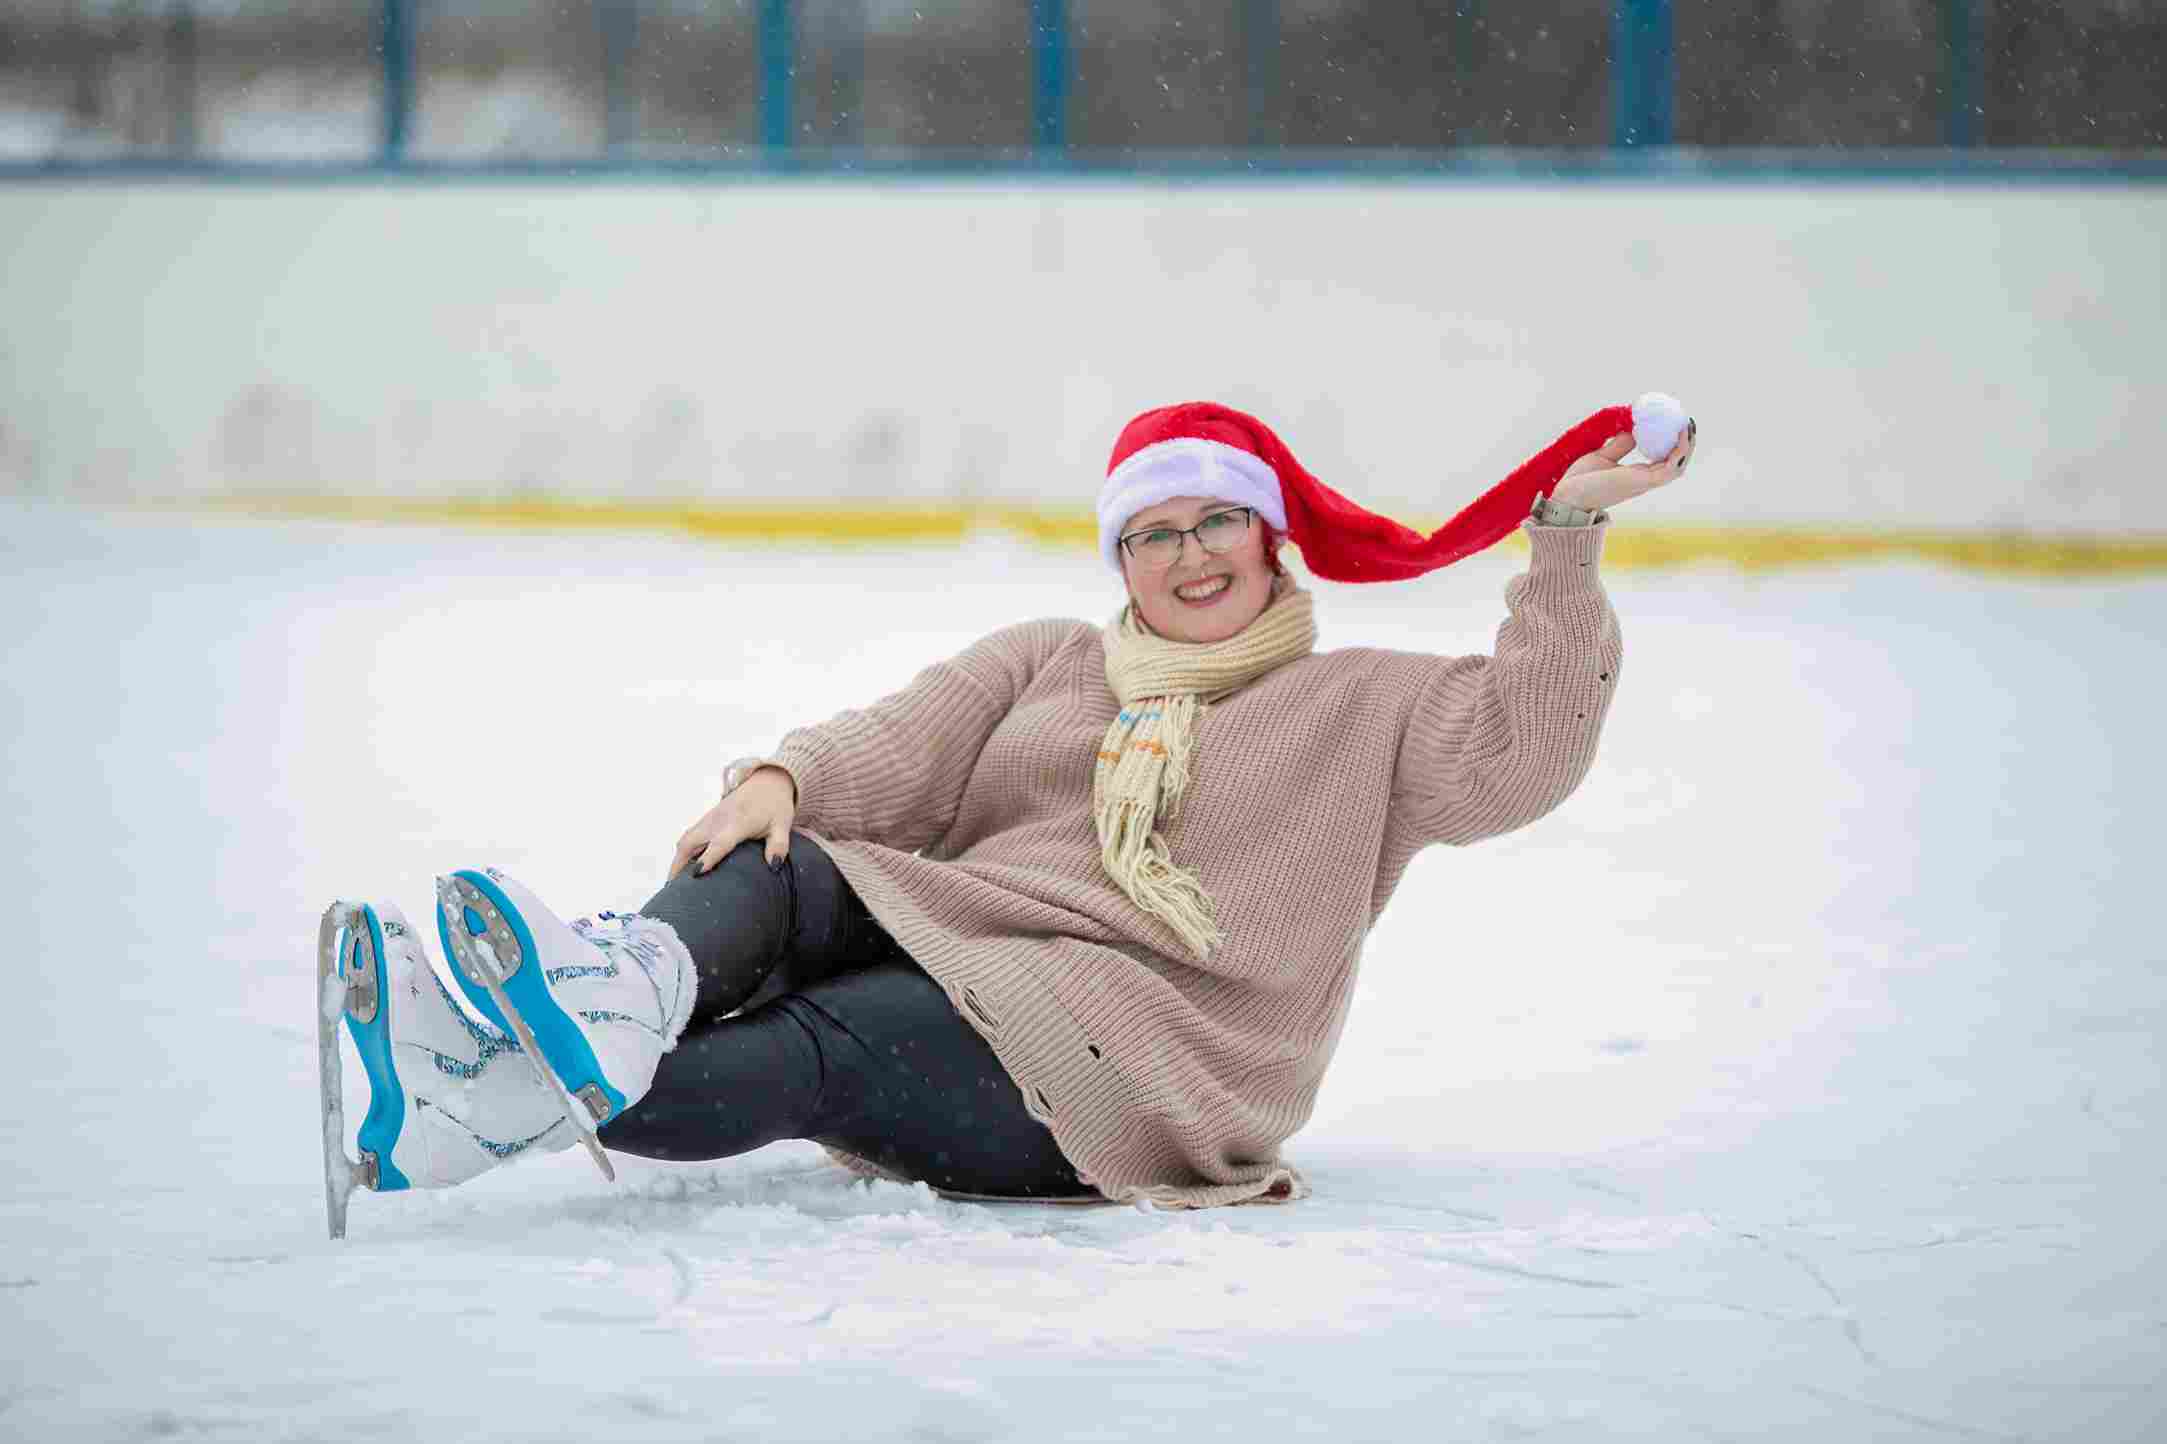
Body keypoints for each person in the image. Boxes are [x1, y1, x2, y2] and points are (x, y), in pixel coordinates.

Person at [327, 396, 1695, 1211]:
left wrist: (1564, 536)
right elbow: (894, 748)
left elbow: (1527, 750)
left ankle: (491, 1082)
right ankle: (614, 995)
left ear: (1272, 541)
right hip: (969, 936)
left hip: (1146, 1052)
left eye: (1214, 522)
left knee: (828, 1040)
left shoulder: (1366, 705)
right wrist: (778, 774)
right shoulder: (1054, 658)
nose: (1186, 554)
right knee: (793, 851)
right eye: (1152, 534)